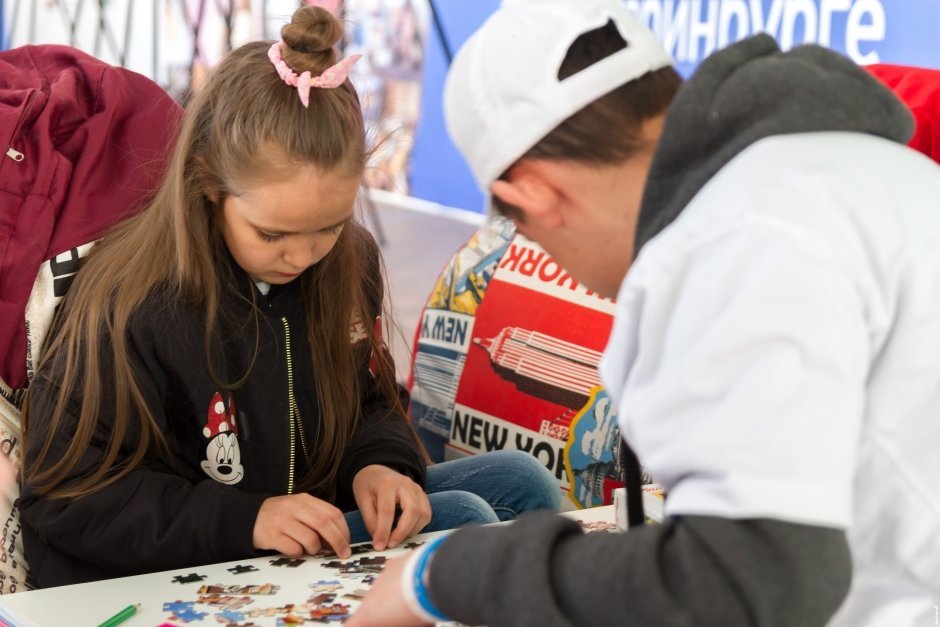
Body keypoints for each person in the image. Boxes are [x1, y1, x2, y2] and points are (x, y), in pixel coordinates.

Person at [348, 1, 940, 626]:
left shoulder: (733, 247)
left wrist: (447, 576)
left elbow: (754, 577)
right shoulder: (846, 170)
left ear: (535, 195)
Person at [18, 5, 559, 589]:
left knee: (524, 481)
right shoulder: (134, 304)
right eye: (272, 234)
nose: (302, 257)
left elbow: (368, 402)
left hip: (294, 521)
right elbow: (66, 500)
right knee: (465, 522)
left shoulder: (346, 263)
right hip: (177, 561)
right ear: (206, 182)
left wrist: (379, 466)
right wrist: (248, 518)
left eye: (327, 227)